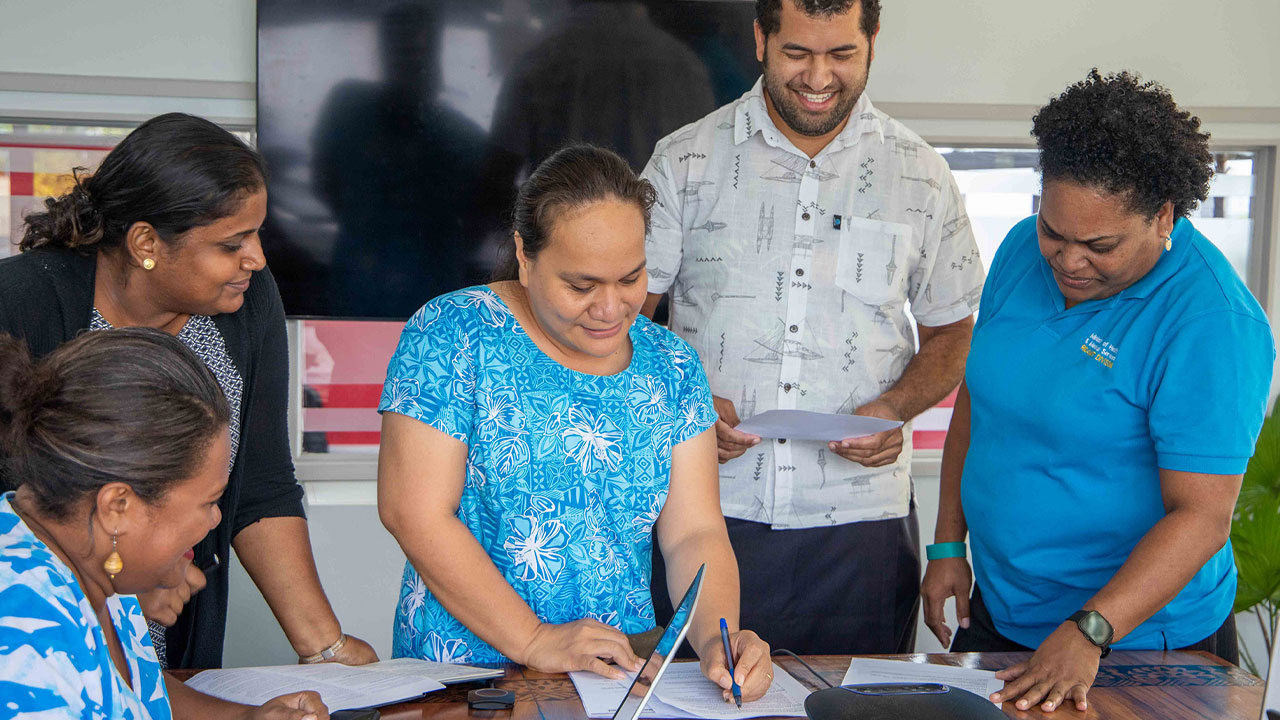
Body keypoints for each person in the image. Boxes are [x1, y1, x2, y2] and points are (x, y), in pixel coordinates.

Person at [920, 69, 1275, 714]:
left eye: (1099, 244)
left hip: (1142, 643)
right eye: (1053, 230)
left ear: (1162, 216)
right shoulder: (1020, 255)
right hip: (1006, 610)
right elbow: (981, 400)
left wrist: (1092, 629)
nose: (1067, 259)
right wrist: (949, 543)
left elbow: (1200, 516)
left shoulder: (1210, 323)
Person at [640, 0, 984, 655]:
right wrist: (680, 406)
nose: (818, 76)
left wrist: (896, 407)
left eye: (841, 55)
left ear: (873, 41)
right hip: (707, 517)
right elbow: (623, 321)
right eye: (797, 53)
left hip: (864, 532)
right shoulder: (685, 162)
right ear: (761, 39)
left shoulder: (921, 175)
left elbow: (952, 333)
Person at [377, 144, 773, 700]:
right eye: (581, 286)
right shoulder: (453, 333)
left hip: (614, 678)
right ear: (524, 253)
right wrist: (533, 638)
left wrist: (716, 640)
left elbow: (694, 532)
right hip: (468, 678)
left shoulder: (671, 364)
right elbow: (413, 512)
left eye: (630, 278)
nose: (611, 308)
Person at [0, 113, 376, 670]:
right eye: (232, 243)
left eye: (257, 234)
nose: (257, 259)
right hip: (43, 645)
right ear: (146, 242)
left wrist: (325, 646)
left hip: (176, 639)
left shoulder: (247, 301)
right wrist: (113, 590)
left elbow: (261, 487)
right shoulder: (19, 304)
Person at [0, 328, 329, 719]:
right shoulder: (23, 642)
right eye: (208, 501)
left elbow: (135, 690)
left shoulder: (93, 558)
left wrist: (245, 717)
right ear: (118, 506)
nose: (216, 518)